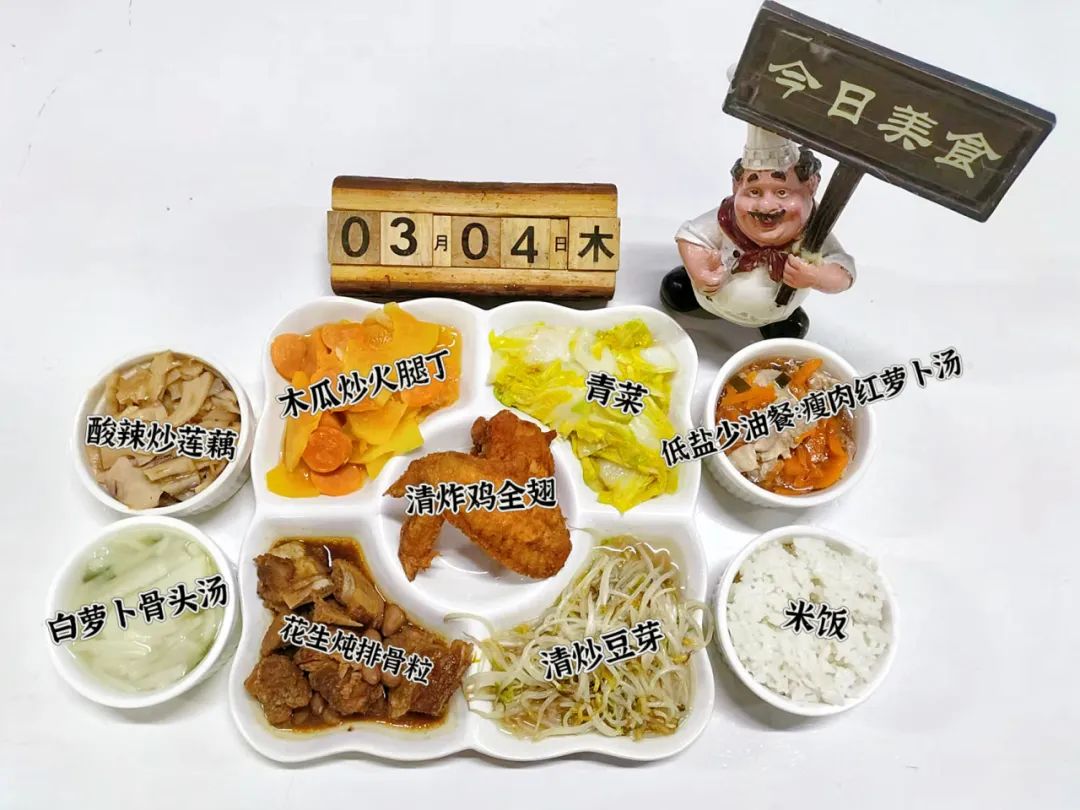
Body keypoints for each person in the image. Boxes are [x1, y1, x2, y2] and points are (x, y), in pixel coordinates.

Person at [660, 125, 855, 339]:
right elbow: (690, 236)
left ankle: (774, 322)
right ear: (736, 186)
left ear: (811, 185)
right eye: (754, 192)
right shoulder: (726, 219)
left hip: (775, 313)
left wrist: (816, 277)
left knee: (787, 332)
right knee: (676, 289)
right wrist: (700, 271)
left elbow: (844, 271)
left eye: (782, 192)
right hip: (710, 300)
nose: (765, 206)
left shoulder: (813, 234)